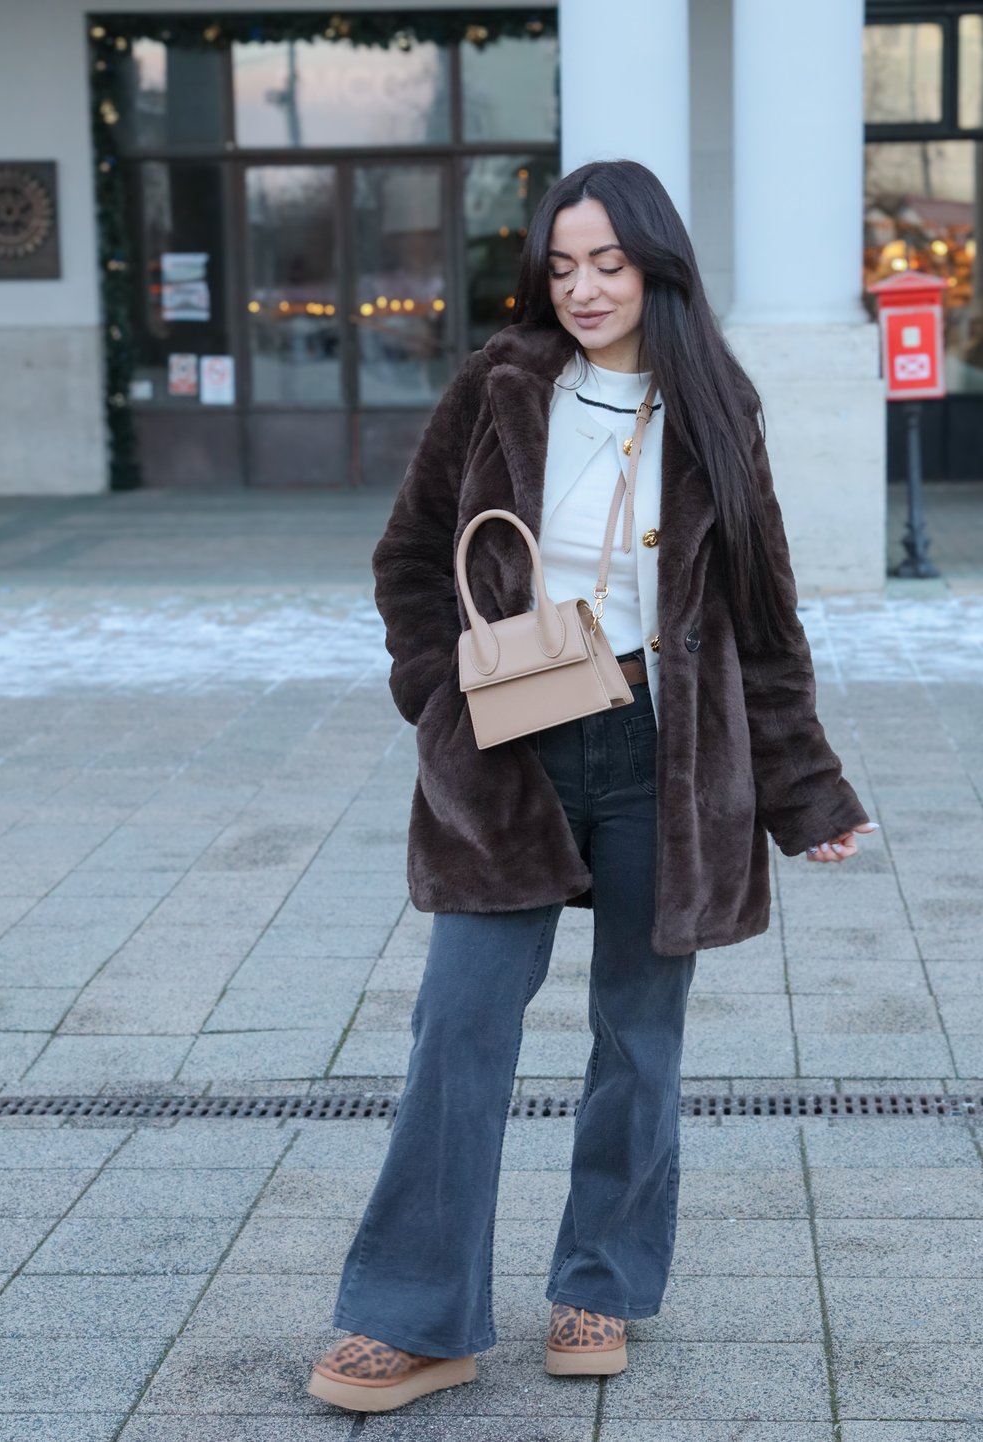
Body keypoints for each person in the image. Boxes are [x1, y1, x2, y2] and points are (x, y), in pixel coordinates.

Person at [306, 159, 876, 1415]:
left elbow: (763, 621)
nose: (582, 287)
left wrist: (804, 789)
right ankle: (416, 1315)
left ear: (657, 267)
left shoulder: (717, 404)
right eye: (562, 265)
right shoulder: (500, 385)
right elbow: (409, 555)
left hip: (662, 758)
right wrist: (434, 690)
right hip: (508, 747)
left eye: (608, 262)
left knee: (637, 1035)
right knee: (458, 1024)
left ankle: (598, 1281)